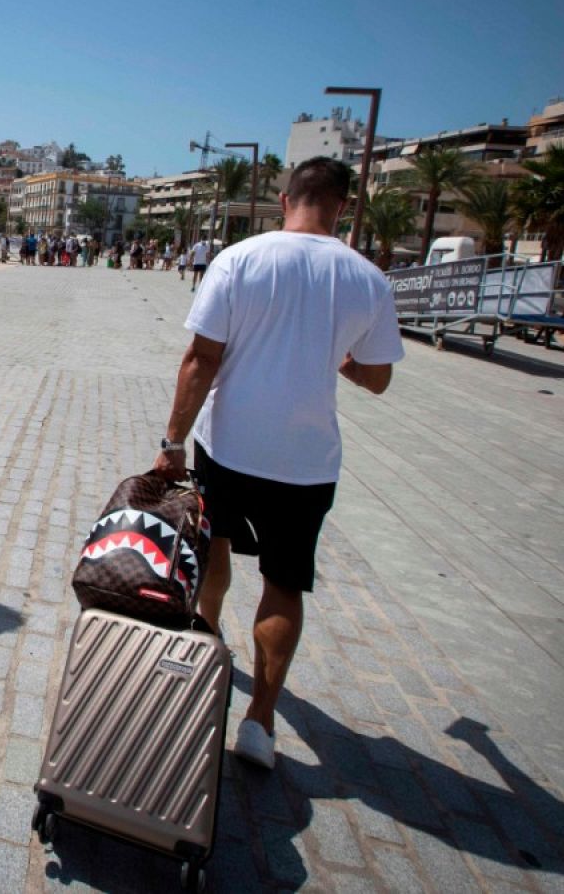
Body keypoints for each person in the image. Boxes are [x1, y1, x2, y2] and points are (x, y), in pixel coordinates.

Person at [153, 157, 404, 770]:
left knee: (213, 551)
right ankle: (260, 723)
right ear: (343, 206)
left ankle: (206, 643)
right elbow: (377, 378)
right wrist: (337, 358)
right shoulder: (368, 279)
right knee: (284, 584)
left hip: (229, 445)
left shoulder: (240, 259)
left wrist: (172, 442)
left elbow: (199, 358)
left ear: (285, 196)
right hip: (308, 462)